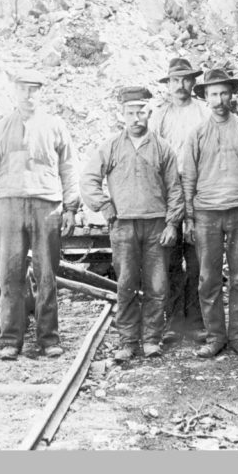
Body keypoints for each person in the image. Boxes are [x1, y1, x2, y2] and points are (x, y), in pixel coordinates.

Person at [0, 69, 79, 361]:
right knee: (10, 276)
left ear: (41, 92)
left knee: (47, 274)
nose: (28, 94)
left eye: (34, 89)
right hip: (8, 206)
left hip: (46, 205)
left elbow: (69, 167)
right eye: (23, 89)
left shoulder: (55, 125)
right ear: (15, 91)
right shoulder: (1, 127)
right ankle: (11, 339)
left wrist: (71, 207)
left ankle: (49, 339)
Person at [80, 86, 184, 361]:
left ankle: (151, 339)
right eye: (130, 112)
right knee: (125, 284)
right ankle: (127, 341)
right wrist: (104, 204)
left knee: (157, 285)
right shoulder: (111, 146)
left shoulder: (162, 147)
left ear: (149, 113)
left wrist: (173, 224)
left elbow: (175, 189)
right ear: (122, 115)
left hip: (156, 226)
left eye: (141, 112)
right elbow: (88, 179)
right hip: (123, 226)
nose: (136, 117)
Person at [181, 68, 238, 358]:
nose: (219, 99)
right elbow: (189, 178)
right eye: (213, 94)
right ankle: (215, 337)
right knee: (208, 278)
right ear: (205, 98)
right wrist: (189, 217)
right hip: (207, 213)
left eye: (223, 93)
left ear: (232, 95)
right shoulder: (196, 134)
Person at [149, 57, 209, 345]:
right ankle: (173, 321)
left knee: (197, 262)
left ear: (194, 82)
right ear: (168, 84)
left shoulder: (203, 112)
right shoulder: (159, 116)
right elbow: (152, 158)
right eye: (175, 80)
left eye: (186, 79)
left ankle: (197, 322)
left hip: (198, 191)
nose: (181, 86)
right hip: (168, 192)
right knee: (170, 260)